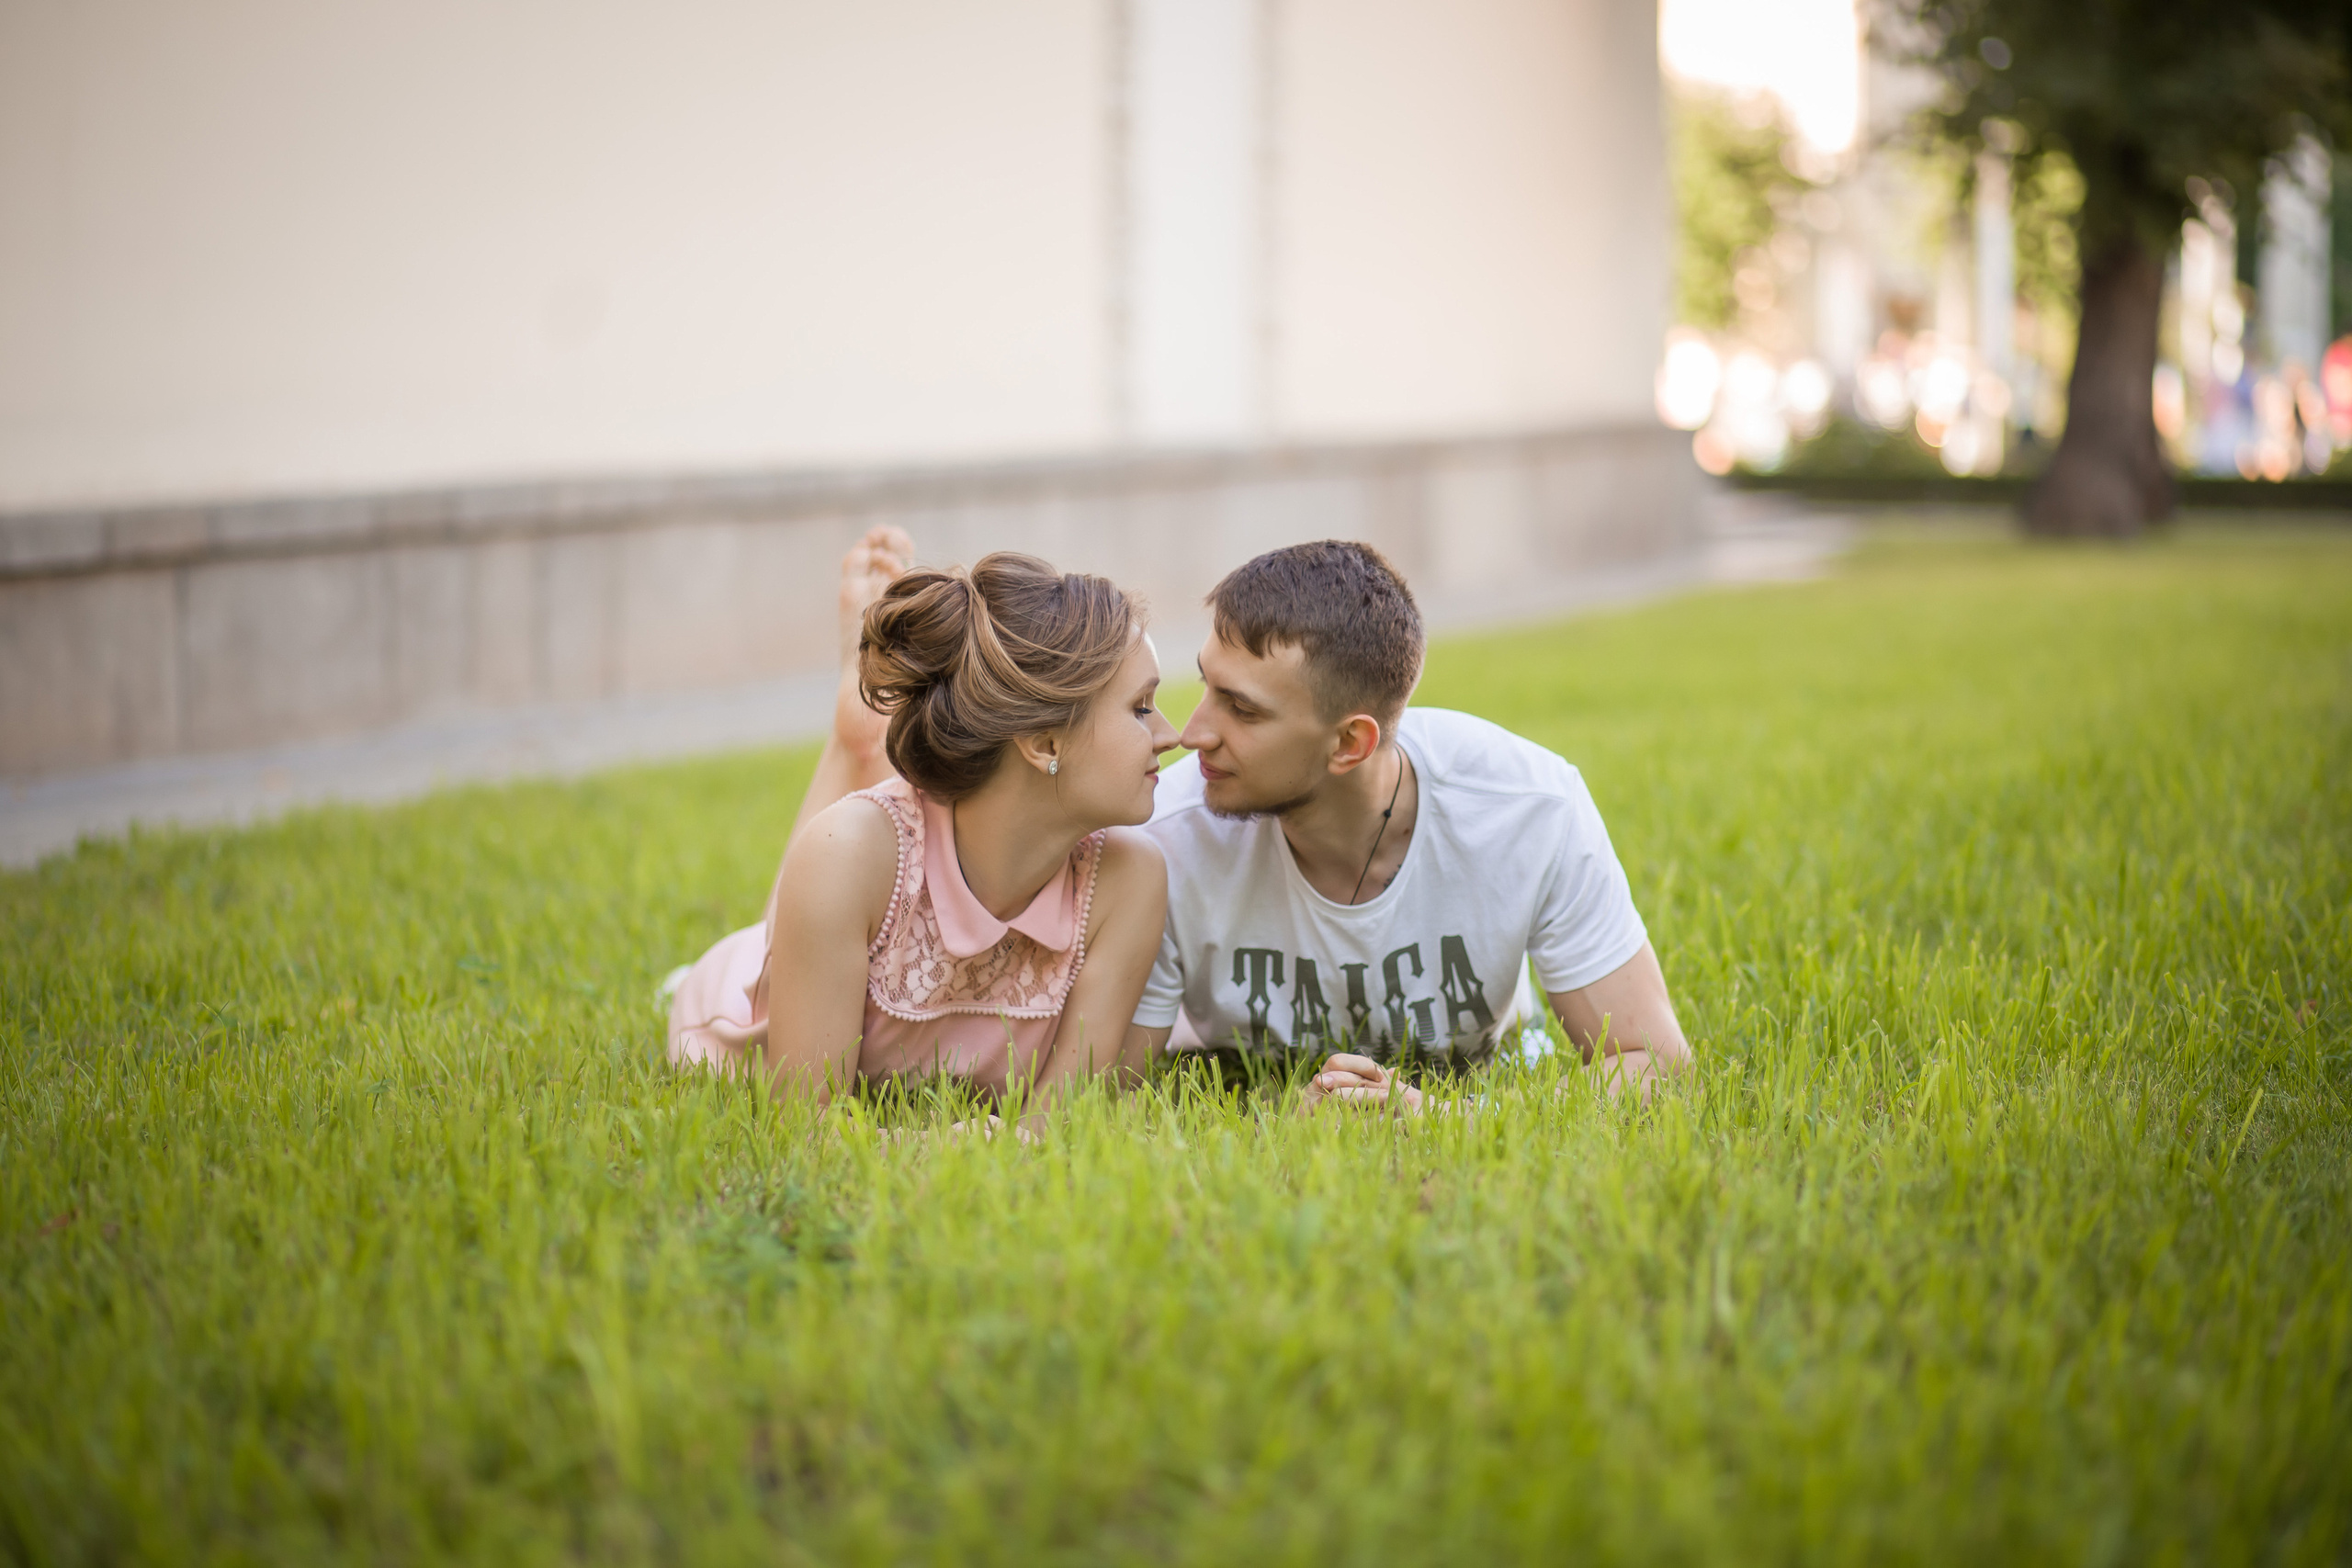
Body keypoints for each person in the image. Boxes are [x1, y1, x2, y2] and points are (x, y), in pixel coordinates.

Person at [1132, 539, 1691, 1111]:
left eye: (1242, 709)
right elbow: (1099, 1095)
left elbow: (1655, 1061)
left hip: (1495, 1068)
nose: (1192, 732)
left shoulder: (1529, 808)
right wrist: (1270, 1123)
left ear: (1351, 743)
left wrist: (1452, 1120)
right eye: (1206, 685)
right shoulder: (1161, 838)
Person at [666, 532, 1179, 1108]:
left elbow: (1059, 1120)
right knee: (835, 860)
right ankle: (855, 746)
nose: (1171, 734)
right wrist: (985, 1145)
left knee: (844, 861)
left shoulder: (1130, 879)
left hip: (856, 904)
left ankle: (860, 746)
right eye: (1140, 708)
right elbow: (805, 1127)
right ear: (1043, 741)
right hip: (735, 1016)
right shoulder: (848, 856)